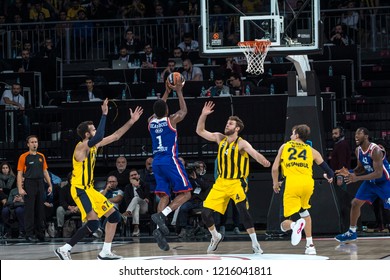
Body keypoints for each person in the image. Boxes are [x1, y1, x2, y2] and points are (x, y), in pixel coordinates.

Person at [54, 98, 143, 260]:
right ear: (87, 134)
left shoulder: (93, 145)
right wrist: (104, 114)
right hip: (80, 189)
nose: (97, 131)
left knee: (114, 216)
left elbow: (116, 136)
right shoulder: (82, 147)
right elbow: (101, 135)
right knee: (94, 223)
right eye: (93, 129)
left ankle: (105, 251)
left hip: (89, 189)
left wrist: (131, 121)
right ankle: (64, 249)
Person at [196, 101, 271, 254]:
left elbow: (254, 153)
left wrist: (263, 160)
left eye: (230, 124)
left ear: (237, 128)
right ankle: (215, 236)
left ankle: (255, 244)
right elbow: (200, 130)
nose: (227, 125)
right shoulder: (219, 138)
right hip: (221, 183)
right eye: (227, 123)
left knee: (243, 211)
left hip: (237, 182)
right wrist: (203, 114)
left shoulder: (241, 143)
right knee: (205, 213)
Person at [272, 124, 334, 255]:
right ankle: (310, 245)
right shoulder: (311, 150)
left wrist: (275, 183)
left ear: (297, 135)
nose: (290, 136)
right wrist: (328, 176)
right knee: (304, 212)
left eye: (292, 133)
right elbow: (329, 171)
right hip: (307, 184)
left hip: (292, 183)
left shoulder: (285, 146)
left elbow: (275, 168)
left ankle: (295, 226)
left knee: (283, 223)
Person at [148, 81, 192, 251]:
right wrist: (179, 91)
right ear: (166, 110)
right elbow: (184, 111)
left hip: (156, 162)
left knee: (165, 196)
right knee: (186, 193)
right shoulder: (171, 120)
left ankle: (159, 230)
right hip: (170, 160)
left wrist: (166, 92)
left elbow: (158, 109)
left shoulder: (150, 121)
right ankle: (162, 215)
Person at [335, 127, 390, 242]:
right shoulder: (358, 150)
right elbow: (361, 168)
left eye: (359, 133)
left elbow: (379, 173)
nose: (356, 136)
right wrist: (349, 172)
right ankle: (352, 232)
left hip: (385, 181)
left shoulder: (375, 150)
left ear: (366, 136)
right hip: (371, 182)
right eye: (355, 133)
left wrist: (357, 178)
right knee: (355, 203)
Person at [17, 135, 53, 242]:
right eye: (32, 142)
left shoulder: (41, 156)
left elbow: (45, 171)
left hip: (40, 183)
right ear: (28, 144)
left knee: (40, 209)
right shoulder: (24, 156)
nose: (34, 144)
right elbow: (19, 173)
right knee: (29, 210)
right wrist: (20, 188)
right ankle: (29, 234)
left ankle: (40, 234)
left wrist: (50, 185)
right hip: (29, 183)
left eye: (36, 142)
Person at [328, 126, 352, 231]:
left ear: (341, 134)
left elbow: (342, 162)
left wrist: (340, 176)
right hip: (339, 174)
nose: (334, 136)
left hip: (340, 175)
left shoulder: (342, 145)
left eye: (336, 133)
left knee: (342, 200)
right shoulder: (339, 144)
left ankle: (345, 225)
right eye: (333, 133)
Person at [123, 168, 150, 237]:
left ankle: (126, 214)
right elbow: (127, 201)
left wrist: (137, 187)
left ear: (139, 176)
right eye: (131, 175)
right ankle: (136, 228)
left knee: (136, 199)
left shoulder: (145, 185)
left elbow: (146, 198)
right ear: (129, 178)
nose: (134, 176)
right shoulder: (127, 187)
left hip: (144, 207)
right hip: (133, 208)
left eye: (135, 174)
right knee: (136, 206)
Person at [56, 172, 80, 238]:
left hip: (78, 208)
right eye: (71, 178)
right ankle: (60, 229)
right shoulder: (64, 189)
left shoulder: (80, 189)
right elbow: (61, 201)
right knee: (59, 209)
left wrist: (77, 207)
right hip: (68, 208)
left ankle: (85, 230)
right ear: (69, 179)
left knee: (86, 209)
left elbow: (83, 200)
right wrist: (69, 207)